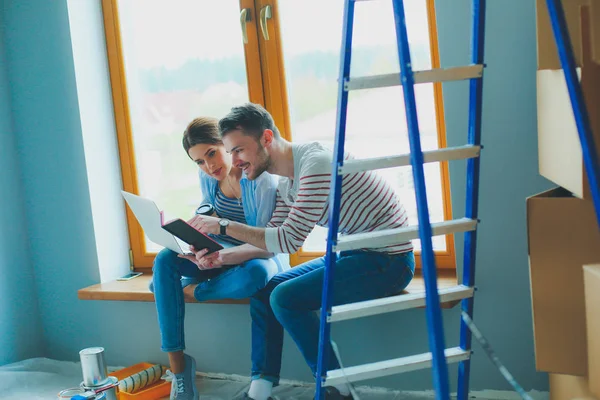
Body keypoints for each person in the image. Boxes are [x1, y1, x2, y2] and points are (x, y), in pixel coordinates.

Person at [191, 103, 415, 400]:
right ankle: (261, 389)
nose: (235, 161)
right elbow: (269, 240)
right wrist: (220, 257)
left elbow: (289, 240)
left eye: (239, 150)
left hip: (390, 260)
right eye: (231, 152)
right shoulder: (286, 181)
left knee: (285, 298)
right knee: (267, 288)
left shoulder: (316, 163)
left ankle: (337, 387)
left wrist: (221, 225)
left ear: (267, 138)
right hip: (353, 253)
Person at [149, 117, 289, 400]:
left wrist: (223, 256)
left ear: (225, 145)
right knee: (165, 259)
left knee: (257, 276)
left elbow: (265, 242)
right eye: (199, 161)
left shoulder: (258, 180)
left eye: (212, 153)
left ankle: (190, 289)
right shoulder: (209, 177)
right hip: (223, 250)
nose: (209, 166)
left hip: (257, 254)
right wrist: (196, 240)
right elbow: (212, 214)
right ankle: (179, 369)